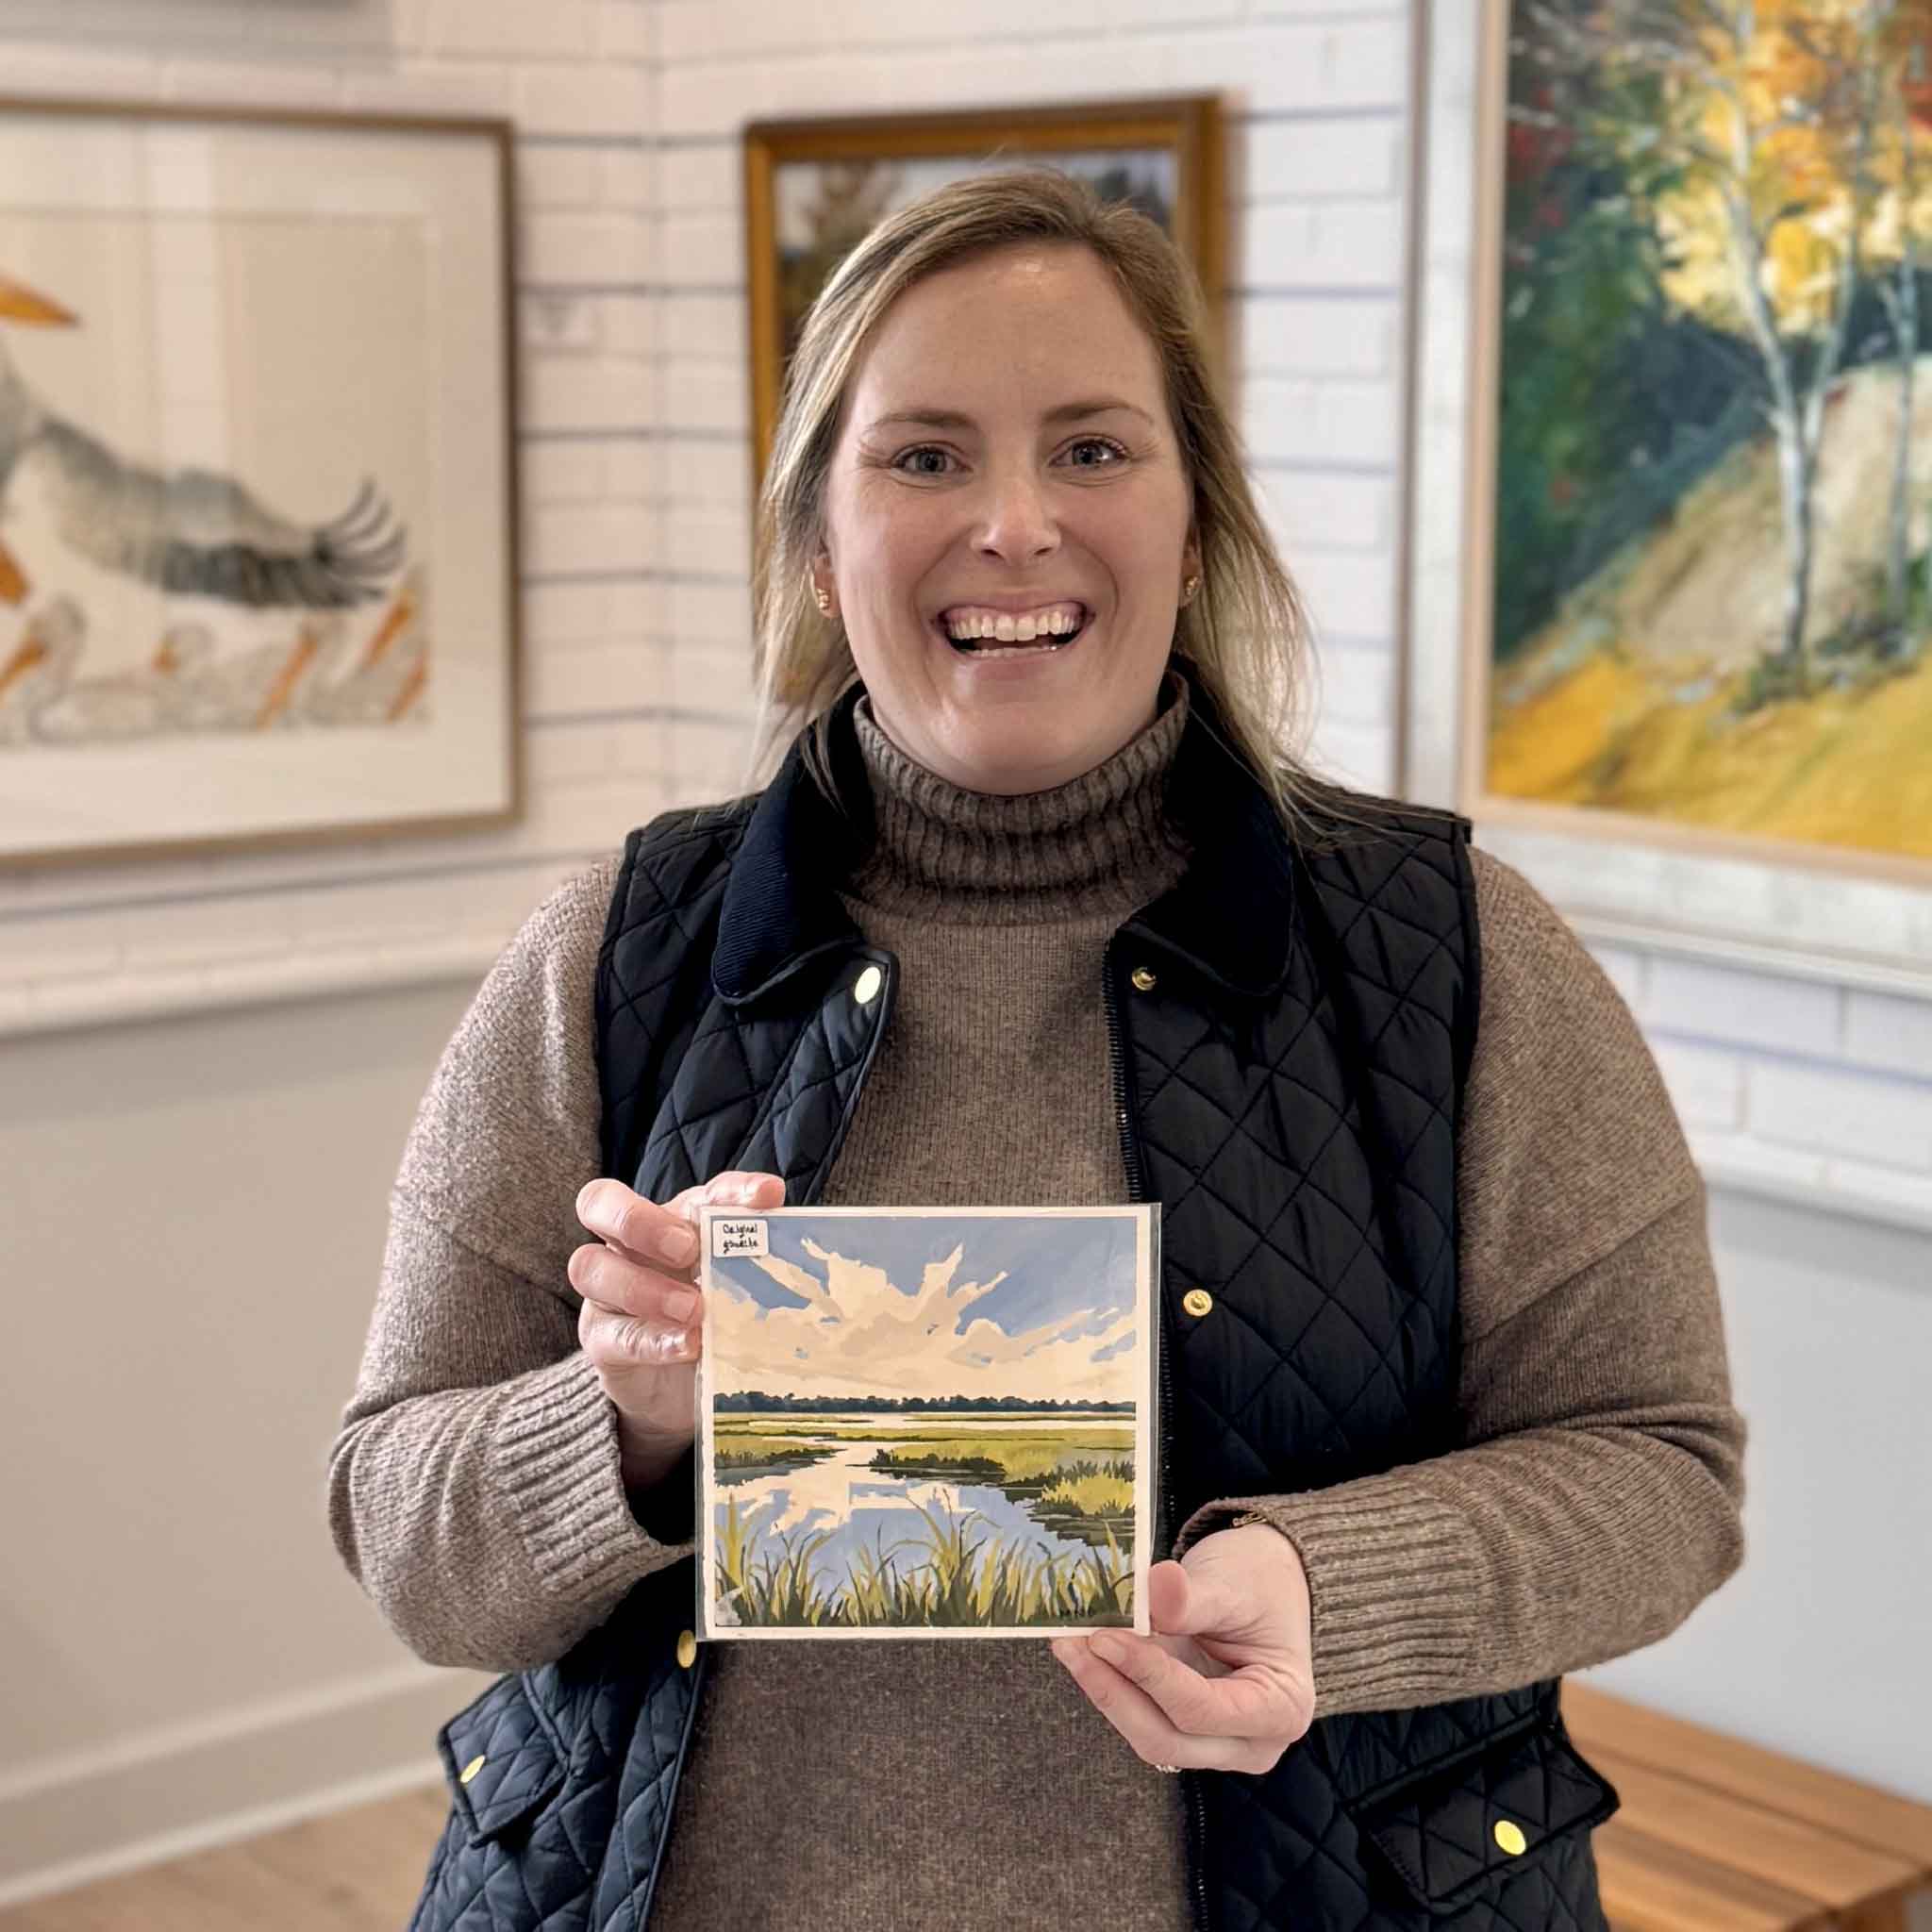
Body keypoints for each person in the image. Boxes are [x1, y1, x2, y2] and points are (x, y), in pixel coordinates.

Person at [328, 169, 1746, 1931]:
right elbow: (402, 1526)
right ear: (816, 546)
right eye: (924, 456)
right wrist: (624, 1423)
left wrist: (1326, 1582)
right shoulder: (612, 955)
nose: (1013, 525)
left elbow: (1662, 1467)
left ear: (1197, 523)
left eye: (1091, 449)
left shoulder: (1448, 957)